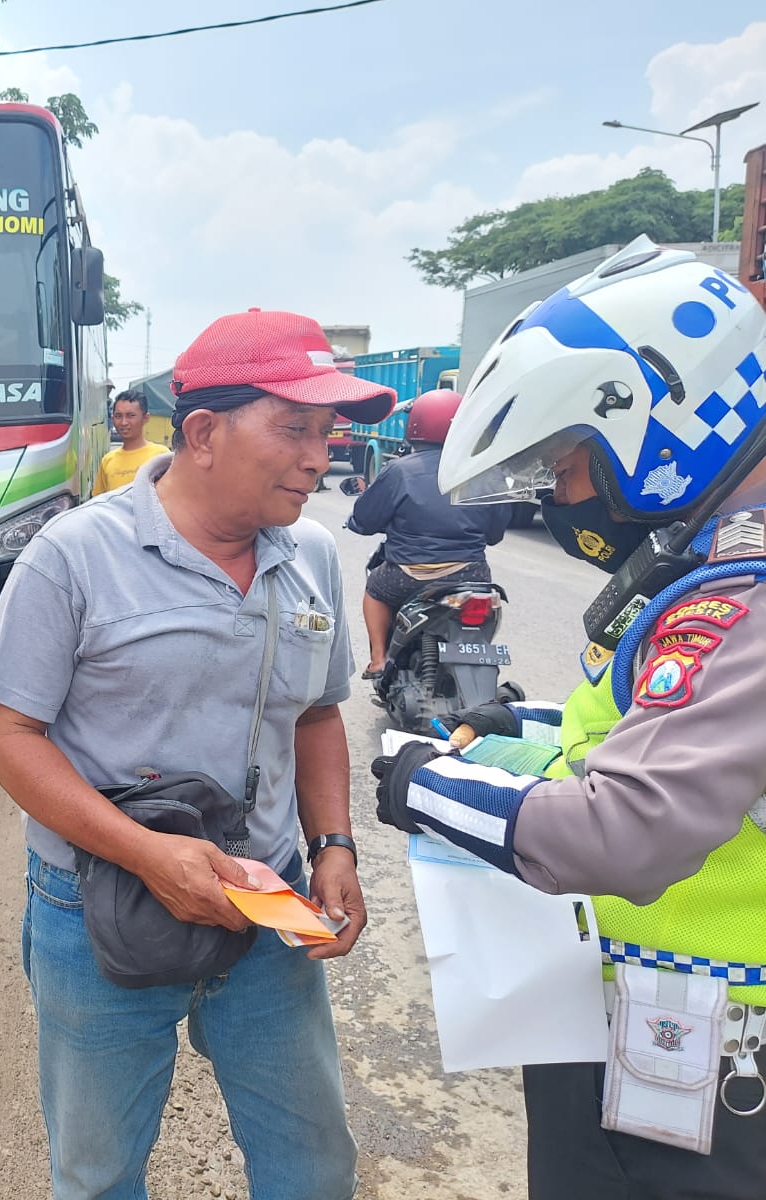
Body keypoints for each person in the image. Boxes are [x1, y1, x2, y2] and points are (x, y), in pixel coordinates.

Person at [370, 238, 766, 1199]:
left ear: (656, 429)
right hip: (663, 1018)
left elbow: (622, 830)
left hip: (711, 1045)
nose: (559, 493)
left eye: (567, 460)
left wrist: (428, 787)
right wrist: (535, 729)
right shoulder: (706, 565)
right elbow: (673, 728)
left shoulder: (742, 596)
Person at [0, 308, 394, 1200]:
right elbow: (5, 737)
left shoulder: (311, 554)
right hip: (100, 902)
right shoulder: (76, 558)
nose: (320, 458)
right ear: (202, 433)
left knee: (313, 1163)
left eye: (326, 434)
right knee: (97, 1173)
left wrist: (334, 847)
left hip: (266, 897)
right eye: (294, 429)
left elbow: (317, 715)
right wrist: (147, 855)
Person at [345, 390, 509, 678]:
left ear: (415, 426)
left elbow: (364, 521)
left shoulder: (399, 471)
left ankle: (379, 660)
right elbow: (494, 534)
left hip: (408, 576)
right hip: (472, 575)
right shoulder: (486, 472)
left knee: (375, 591)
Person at [93, 389, 168, 496]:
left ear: (145, 418)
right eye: (118, 416)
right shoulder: (108, 461)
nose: (124, 422)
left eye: (131, 415)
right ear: (113, 419)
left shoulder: (161, 455)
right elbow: (99, 502)